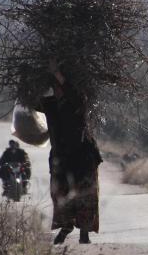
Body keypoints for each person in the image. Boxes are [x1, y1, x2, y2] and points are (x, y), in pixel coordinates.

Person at [37, 60, 103, 244]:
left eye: (58, 86)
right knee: (60, 193)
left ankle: (84, 232)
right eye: (54, 87)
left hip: (83, 156)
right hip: (61, 157)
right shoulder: (50, 104)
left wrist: (57, 73)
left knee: (85, 194)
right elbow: (33, 102)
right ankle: (66, 227)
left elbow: (74, 95)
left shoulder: (78, 101)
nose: (56, 90)